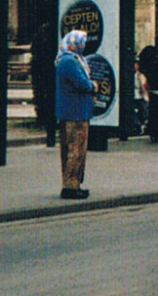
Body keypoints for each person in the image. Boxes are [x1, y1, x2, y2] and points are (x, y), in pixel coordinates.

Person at [55, 29, 97, 200]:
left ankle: (71, 183)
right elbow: (82, 83)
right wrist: (93, 86)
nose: (83, 45)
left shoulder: (64, 59)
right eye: (81, 42)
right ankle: (71, 186)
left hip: (70, 111)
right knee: (76, 149)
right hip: (76, 112)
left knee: (70, 149)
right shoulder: (70, 61)